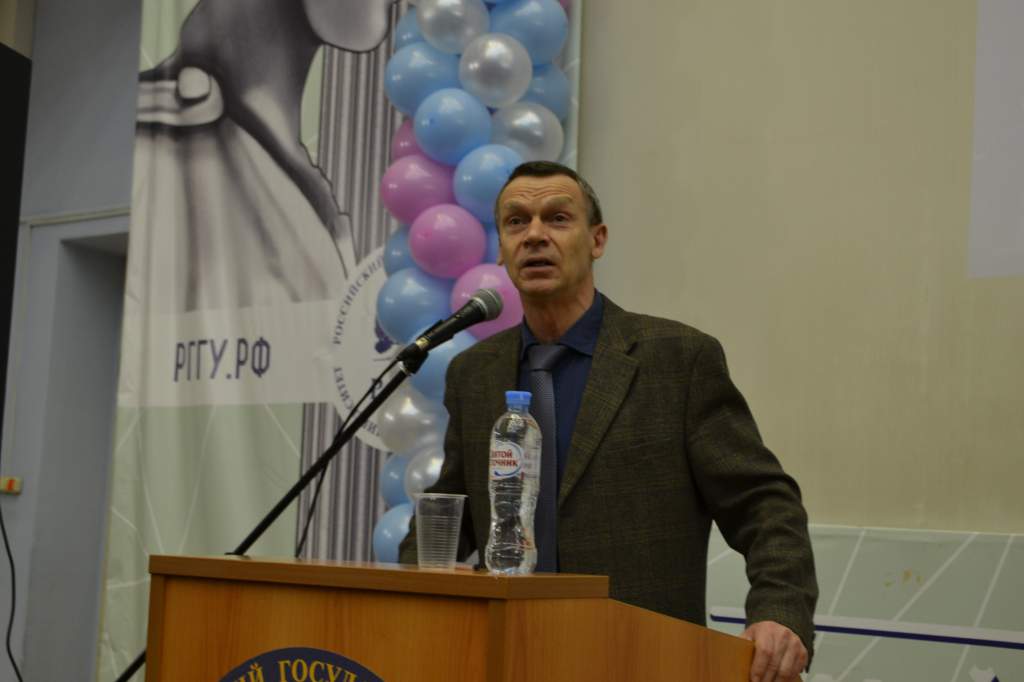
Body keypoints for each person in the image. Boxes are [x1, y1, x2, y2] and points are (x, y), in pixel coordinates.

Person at [399, 161, 818, 681]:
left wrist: (780, 611)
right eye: (516, 221)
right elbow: (453, 511)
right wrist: (401, 600)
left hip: (640, 658)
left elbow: (763, 504)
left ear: (597, 240)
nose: (535, 235)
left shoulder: (677, 360)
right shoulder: (475, 373)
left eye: (557, 218)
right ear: (502, 249)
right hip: (506, 655)